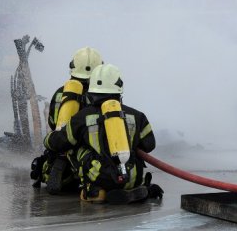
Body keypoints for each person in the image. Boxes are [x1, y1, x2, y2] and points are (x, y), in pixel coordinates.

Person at [43, 63, 162, 204]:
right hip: (132, 177)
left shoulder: (82, 117)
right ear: (119, 88)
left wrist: (48, 140)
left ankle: (96, 191)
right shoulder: (137, 115)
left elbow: (61, 141)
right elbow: (149, 145)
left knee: (76, 148)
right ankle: (135, 189)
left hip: (100, 178)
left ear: (91, 90)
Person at [31, 46, 104, 194]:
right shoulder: (101, 95)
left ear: (73, 68)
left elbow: (52, 121)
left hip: (60, 145)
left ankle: (60, 164)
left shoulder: (61, 93)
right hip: (88, 150)